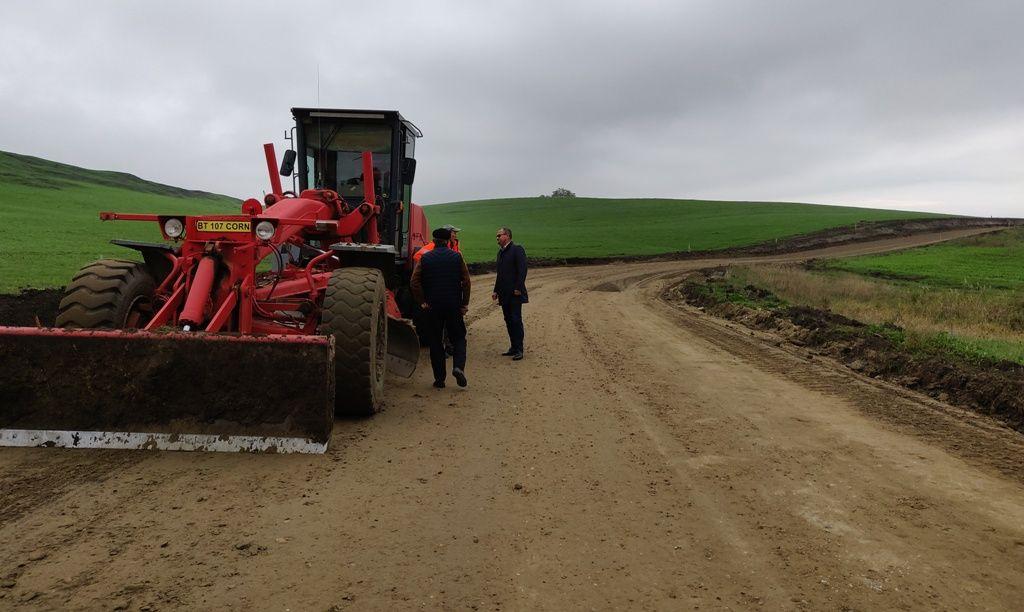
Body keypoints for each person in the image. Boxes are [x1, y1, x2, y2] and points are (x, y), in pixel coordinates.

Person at [411, 227, 471, 388]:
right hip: (453, 305)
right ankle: (458, 367)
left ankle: (439, 379)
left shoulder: (425, 258)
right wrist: (464, 303)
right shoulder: (457, 257)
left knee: (435, 341)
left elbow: (414, 282)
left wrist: (422, 301)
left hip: (433, 307)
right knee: (459, 337)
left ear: (434, 241)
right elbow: (466, 281)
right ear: (448, 241)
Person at [491, 226, 527, 360]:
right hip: (504, 293)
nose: (497, 238)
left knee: (516, 320)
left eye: (499, 235)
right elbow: (500, 275)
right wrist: (496, 290)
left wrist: (519, 287)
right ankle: (513, 347)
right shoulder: (500, 253)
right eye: (497, 236)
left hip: (515, 293)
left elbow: (522, 270)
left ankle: (519, 349)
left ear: (507, 236)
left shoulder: (517, 250)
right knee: (508, 320)